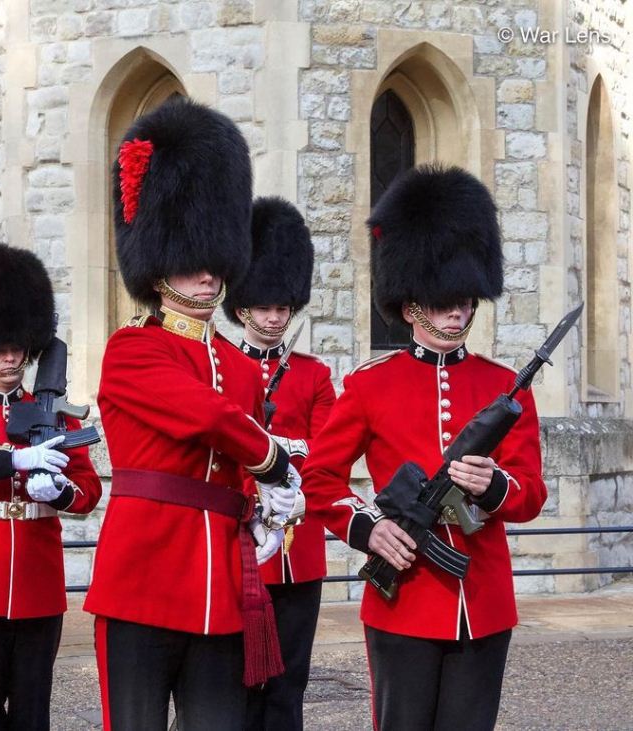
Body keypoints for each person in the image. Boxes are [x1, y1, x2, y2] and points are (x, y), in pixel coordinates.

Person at [300, 164, 547, 730]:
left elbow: (530, 492)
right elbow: (320, 480)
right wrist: (369, 529)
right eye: (444, 300)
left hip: (482, 602)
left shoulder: (502, 387)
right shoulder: (370, 385)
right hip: (403, 596)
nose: (458, 310)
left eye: (465, 299)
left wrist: (496, 486)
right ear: (412, 303)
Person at [84, 98, 302, 731]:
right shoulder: (132, 350)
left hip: (221, 587)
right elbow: (202, 416)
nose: (208, 275)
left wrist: (269, 506)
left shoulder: (238, 365)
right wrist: (272, 459)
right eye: (190, 259)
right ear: (157, 268)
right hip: (143, 576)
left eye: (216, 260)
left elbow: (233, 460)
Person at [0, 242, 103, 730]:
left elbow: (89, 488)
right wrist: (10, 460)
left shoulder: (51, 409)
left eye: (17, 347)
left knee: (34, 710)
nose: (11, 357)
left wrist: (60, 494)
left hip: (39, 578)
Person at [224, 197, 335, 731]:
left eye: (281, 307)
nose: (273, 317)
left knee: (289, 687)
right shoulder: (219, 369)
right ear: (243, 306)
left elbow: (329, 449)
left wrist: (290, 451)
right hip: (239, 543)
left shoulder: (313, 375)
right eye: (263, 307)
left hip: (299, 550)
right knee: (238, 682)